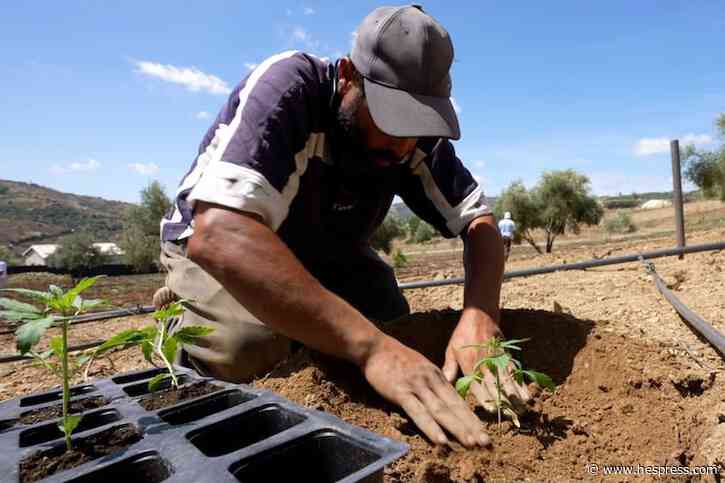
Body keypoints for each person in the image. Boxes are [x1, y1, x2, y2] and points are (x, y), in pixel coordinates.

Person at [155, 5, 530, 448]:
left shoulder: (415, 140)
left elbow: (479, 223)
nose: (404, 144)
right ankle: (180, 313)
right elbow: (218, 233)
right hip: (233, 249)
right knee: (246, 347)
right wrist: (372, 349)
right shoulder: (291, 87)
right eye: (392, 119)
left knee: (394, 322)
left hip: (329, 253)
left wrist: (479, 318)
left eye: (418, 125)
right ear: (351, 76)